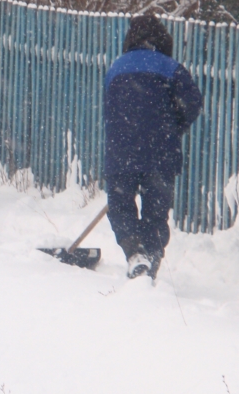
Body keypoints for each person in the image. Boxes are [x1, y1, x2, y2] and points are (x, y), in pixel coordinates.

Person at [103, 15, 202, 280]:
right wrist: (173, 127)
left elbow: (109, 111)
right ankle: (152, 259)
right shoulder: (171, 68)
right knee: (155, 211)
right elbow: (193, 103)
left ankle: (135, 253)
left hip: (120, 151)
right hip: (160, 154)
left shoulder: (115, 68)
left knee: (120, 205)